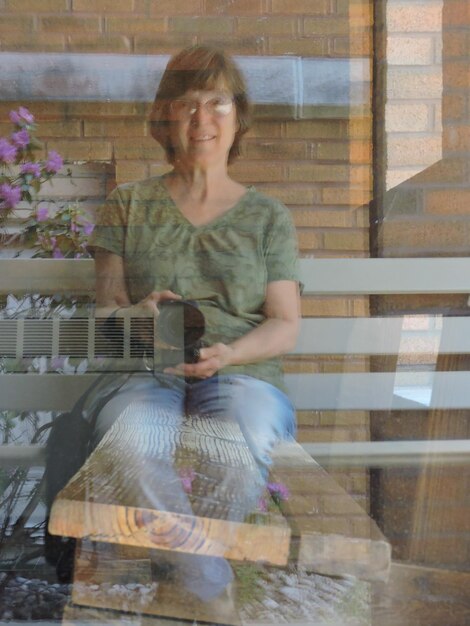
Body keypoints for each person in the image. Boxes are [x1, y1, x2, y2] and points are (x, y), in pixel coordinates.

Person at [88, 44, 301, 603]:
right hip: (146, 371)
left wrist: (230, 354)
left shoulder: (267, 216)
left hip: (238, 372)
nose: (201, 119)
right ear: (164, 117)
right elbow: (103, 316)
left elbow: (284, 324)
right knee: (128, 443)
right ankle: (210, 593)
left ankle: (183, 593)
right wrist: (137, 317)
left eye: (217, 103)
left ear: (239, 117)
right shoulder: (127, 204)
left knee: (240, 441)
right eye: (185, 104)